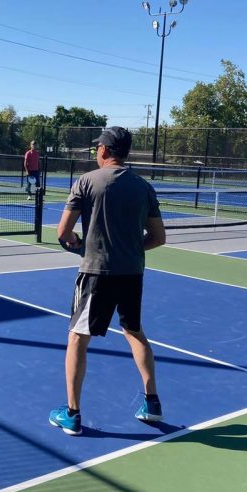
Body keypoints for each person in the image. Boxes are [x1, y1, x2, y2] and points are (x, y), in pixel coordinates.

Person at [49, 126, 167, 436]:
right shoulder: (143, 187)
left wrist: (76, 243)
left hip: (96, 274)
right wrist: (128, 248)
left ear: (104, 151)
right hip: (132, 274)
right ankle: (152, 403)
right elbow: (158, 238)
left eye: (97, 147)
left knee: (77, 338)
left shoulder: (86, 182)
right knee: (134, 332)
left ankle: (72, 414)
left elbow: (63, 232)